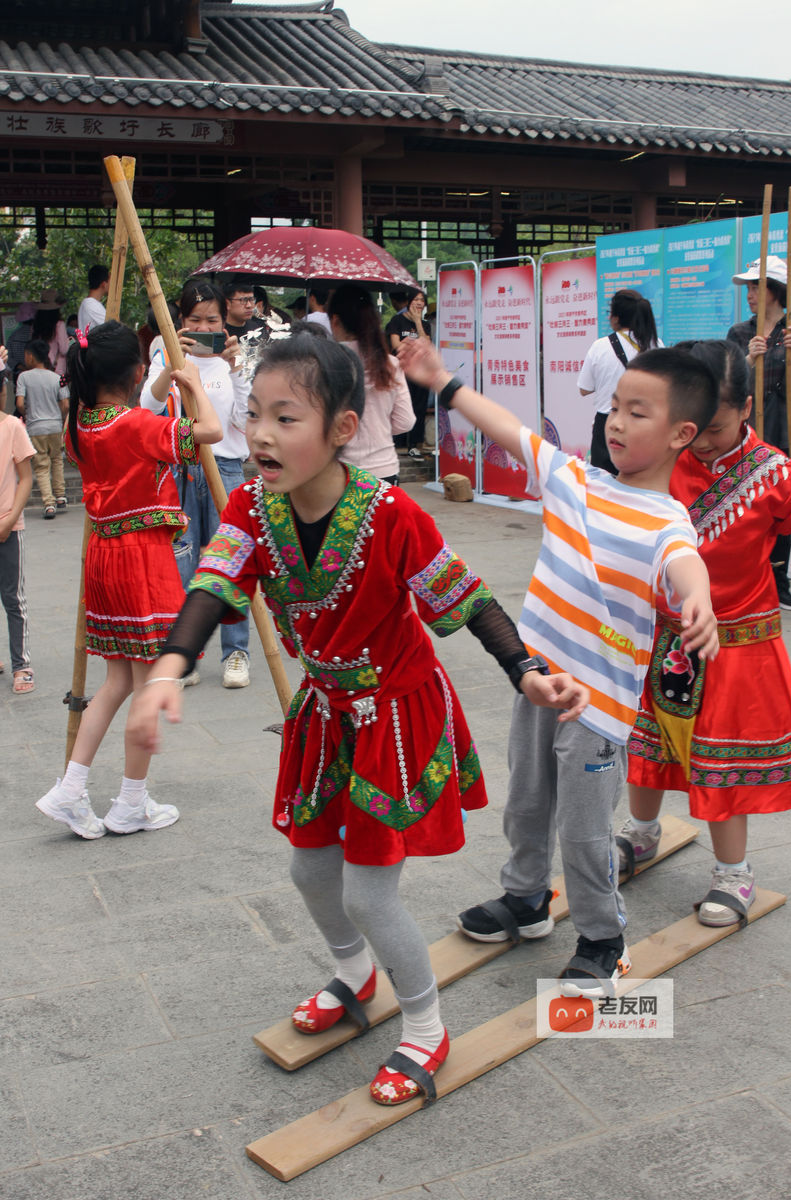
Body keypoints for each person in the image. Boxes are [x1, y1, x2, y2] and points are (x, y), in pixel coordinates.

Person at [127, 329, 589, 1105]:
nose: (262, 435)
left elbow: (466, 599)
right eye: (254, 415)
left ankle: (425, 1029)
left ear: (343, 429)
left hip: (397, 717)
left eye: (286, 417)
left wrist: (527, 672)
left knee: (369, 894)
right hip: (326, 712)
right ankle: (354, 976)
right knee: (310, 870)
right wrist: (170, 668)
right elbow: (213, 584)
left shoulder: (393, 514)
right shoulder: (250, 503)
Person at [398, 336, 719, 998]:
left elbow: (686, 564)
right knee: (525, 802)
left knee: (581, 831)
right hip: (537, 684)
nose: (618, 423)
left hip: (597, 712)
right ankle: (525, 900)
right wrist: (442, 382)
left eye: (638, 412)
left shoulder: (667, 520)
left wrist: (700, 599)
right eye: (615, 408)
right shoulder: (576, 480)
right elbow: (510, 430)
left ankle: (603, 936)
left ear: (682, 433)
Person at [624, 339, 791, 926]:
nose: (701, 442)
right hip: (664, 633)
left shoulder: (777, 475)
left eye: (716, 430)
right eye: (692, 429)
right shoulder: (662, 461)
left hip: (736, 643)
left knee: (719, 762)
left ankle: (734, 874)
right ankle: (641, 834)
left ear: (747, 408)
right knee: (645, 745)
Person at [35, 320, 222, 839]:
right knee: (146, 685)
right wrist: (196, 388)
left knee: (117, 681)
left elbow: (142, 415)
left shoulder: (83, 423)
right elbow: (211, 432)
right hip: (143, 558)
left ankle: (71, 788)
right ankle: (131, 802)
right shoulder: (135, 426)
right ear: (138, 371)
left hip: (103, 554)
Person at [140, 279, 252, 688]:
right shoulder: (167, 354)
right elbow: (146, 409)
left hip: (225, 469)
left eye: (212, 320)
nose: (204, 328)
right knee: (181, 563)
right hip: (180, 467)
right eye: (195, 320)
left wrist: (238, 369)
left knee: (231, 561)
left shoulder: (231, 362)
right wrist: (170, 365)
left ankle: (236, 652)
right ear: (180, 319)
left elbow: (242, 420)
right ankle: (185, 656)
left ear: (225, 322)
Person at [726, 255, 791, 610]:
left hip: (788, 425)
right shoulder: (740, 333)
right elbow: (728, 383)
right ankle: (748, 575)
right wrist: (748, 361)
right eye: (749, 287)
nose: (750, 294)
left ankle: (780, 578)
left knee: (783, 499)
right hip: (751, 426)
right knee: (749, 498)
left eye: (756, 286)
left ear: (775, 290)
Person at [328, 283, 414, 484]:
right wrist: (379, 428)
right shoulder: (390, 364)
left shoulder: (325, 364)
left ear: (335, 320)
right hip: (384, 470)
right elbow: (405, 421)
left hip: (337, 472)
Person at [578, 289, 661, 475]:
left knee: (604, 487)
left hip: (607, 425)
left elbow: (584, 388)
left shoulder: (600, 347)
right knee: (639, 480)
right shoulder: (656, 345)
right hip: (644, 423)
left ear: (616, 318)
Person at [0, 343, 35, 693]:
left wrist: (10, 519)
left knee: (13, 599)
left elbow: (26, 477)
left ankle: (21, 664)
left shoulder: (12, 426)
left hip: (8, 527)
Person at [15, 339, 69, 518]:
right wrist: (58, 415)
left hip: (35, 427)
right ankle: (61, 495)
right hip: (55, 426)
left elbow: (20, 403)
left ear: (30, 356)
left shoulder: (24, 377)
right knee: (57, 460)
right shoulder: (57, 377)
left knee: (41, 466)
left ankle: (49, 503)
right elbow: (65, 403)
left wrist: (28, 413)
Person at [387, 287, 432, 460]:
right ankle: (397, 443)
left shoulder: (425, 325)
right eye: (416, 300)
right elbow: (395, 345)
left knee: (418, 408)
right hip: (401, 372)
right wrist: (415, 346)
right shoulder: (397, 321)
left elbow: (426, 344)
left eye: (422, 300)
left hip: (420, 373)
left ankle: (414, 445)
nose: (419, 303)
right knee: (398, 406)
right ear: (409, 301)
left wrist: (418, 322)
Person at [31, 290, 70, 377]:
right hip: (56, 369)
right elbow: (64, 349)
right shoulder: (59, 325)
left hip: (39, 368)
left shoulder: (35, 325)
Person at [223, 277, 264, 341]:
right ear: (227, 303)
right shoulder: (219, 330)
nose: (249, 305)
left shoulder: (256, 329)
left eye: (251, 300)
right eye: (243, 300)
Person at [77, 265, 109, 331]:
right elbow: (114, 328)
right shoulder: (91, 304)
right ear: (104, 284)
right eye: (110, 281)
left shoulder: (91, 303)